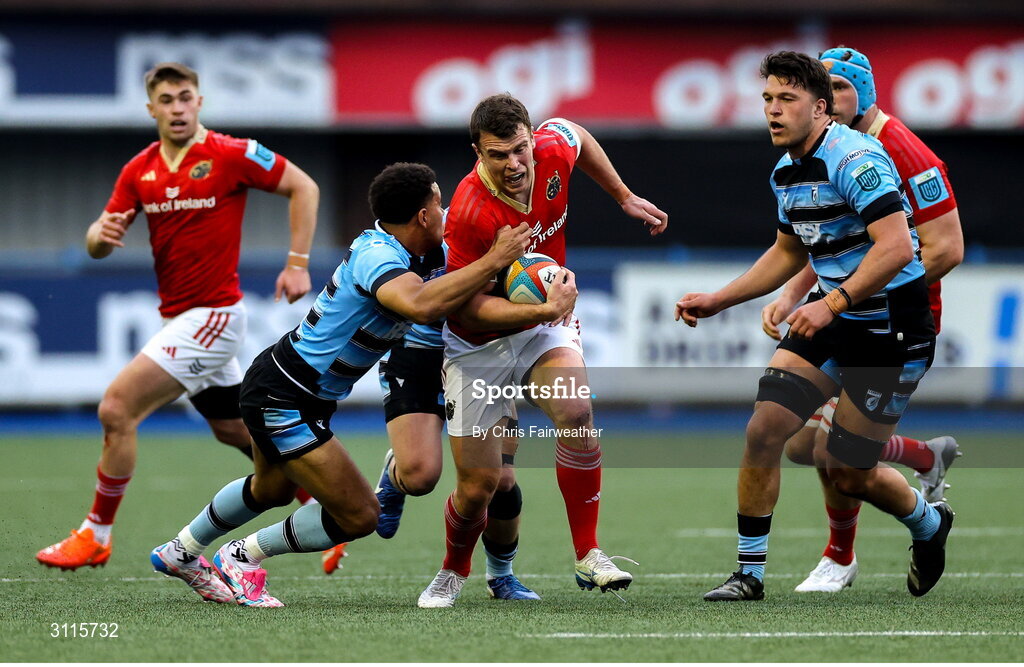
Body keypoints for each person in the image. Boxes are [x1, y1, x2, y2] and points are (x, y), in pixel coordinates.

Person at [149, 162, 534, 607]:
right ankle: (241, 558)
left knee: (269, 490)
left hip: (288, 386)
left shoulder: (424, 250)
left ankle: (180, 551)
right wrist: (493, 260)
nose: (446, 211)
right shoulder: (378, 255)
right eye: (438, 203)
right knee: (359, 515)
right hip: (285, 394)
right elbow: (419, 304)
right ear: (424, 216)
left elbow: (458, 282)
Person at [676, 51, 954, 602]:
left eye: (787, 99)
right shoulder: (786, 169)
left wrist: (832, 303)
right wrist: (719, 299)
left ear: (821, 108)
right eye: (767, 100)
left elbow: (899, 247)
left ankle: (928, 523)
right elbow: (786, 251)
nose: (773, 111)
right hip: (836, 316)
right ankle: (748, 574)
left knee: (847, 471)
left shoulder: (855, 158)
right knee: (765, 429)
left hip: (891, 327)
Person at [36, 62, 318, 571]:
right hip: (183, 318)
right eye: (166, 100)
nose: (178, 107)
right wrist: (100, 236)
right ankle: (321, 506)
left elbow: (305, 186)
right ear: (152, 109)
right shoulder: (139, 169)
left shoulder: (229, 154)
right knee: (234, 430)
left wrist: (297, 264)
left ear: (199, 102)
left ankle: (95, 534)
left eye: (185, 97)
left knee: (116, 409)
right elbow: (97, 241)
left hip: (213, 316)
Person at [417, 93, 669, 608]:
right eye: (497, 155)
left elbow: (578, 134)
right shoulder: (467, 213)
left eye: (520, 150)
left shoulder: (552, 150)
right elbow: (465, 311)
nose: (514, 165)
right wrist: (538, 308)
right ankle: (452, 570)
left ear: (533, 139)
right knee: (481, 485)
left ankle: (588, 553)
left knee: (577, 410)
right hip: (477, 343)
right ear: (477, 153)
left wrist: (622, 196)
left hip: (543, 324)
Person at [759, 46, 964, 594]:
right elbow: (829, 240)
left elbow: (944, 248)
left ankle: (840, 556)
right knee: (803, 445)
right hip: (843, 311)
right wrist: (798, 292)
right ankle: (923, 456)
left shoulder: (898, 150)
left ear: (861, 95)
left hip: (891, 321)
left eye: (841, 90)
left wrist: (858, 297)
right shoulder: (814, 152)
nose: (829, 100)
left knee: (829, 452)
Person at [320, 314, 541, 599]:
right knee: (419, 477)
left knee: (503, 480)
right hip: (418, 353)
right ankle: (395, 472)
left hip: (481, 357)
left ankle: (501, 576)